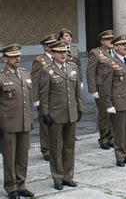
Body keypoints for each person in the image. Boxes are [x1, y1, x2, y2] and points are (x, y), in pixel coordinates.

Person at [38, 40, 83, 190]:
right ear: (53, 53)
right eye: (59, 52)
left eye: (64, 52)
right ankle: (57, 178)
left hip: (71, 113)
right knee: (56, 148)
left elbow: (77, 91)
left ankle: (68, 176)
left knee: (69, 147)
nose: (63, 54)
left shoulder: (72, 67)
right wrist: (45, 113)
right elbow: (43, 95)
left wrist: (79, 108)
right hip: (56, 115)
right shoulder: (46, 71)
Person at [0, 44, 35, 199]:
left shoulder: (25, 73)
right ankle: (11, 186)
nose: (17, 59)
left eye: (18, 56)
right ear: (5, 59)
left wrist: (30, 118)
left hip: (24, 121)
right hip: (8, 124)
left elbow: (29, 98)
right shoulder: (1, 77)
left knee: (22, 156)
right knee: (9, 156)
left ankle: (21, 185)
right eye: (13, 57)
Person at [102, 35, 126, 167]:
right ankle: (120, 156)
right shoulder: (110, 63)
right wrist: (108, 103)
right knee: (120, 131)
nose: (125, 46)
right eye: (122, 44)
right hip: (119, 102)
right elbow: (106, 85)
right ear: (115, 47)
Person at [86, 30, 115, 150]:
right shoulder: (96, 53)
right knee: (104, 115)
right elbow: (90, 72)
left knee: (113, 114)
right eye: (108, 39)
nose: (111, 41)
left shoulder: (114, 52)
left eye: (112, 39)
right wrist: (93, 90)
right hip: (102, 88)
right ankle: (103, 139)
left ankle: (111, 138)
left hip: (114, 88)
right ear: (102, 41)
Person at [31, 33, 56, 161]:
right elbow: (34, 81)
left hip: (57, 99)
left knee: (56, 124)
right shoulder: (39, 61)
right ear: (46, 47)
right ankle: (46, 150)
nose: (54, 47)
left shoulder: (59, 59)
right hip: (44, 98)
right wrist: (35, 99)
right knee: (45, 125)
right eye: (52, 45)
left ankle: (56, 148)